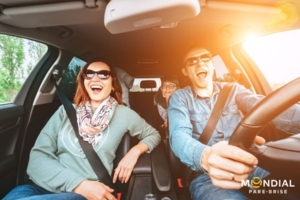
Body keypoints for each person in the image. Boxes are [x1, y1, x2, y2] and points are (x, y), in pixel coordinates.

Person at [4, 61, 161, 200]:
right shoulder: (65, 111)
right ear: (84, 82)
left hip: (87, 194)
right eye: (89, 74)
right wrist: (77, 183)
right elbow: (38, 158)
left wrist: (134, 152)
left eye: (103, 74)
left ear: (113, 84)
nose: (95, 78)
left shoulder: (124, 114)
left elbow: (153, 134)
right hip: (40, 187)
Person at [168, 45, 300, 200]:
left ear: (212, 64)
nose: (200, 64)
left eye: (205, 58)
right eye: (192, 61)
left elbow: (266, 107)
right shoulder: (180, 97)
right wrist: (206, 156)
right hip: (208, 176)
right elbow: (178, 135)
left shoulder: (233, 90)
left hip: (250, 164)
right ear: (185, 71)